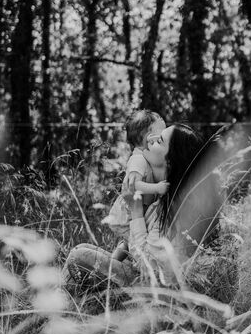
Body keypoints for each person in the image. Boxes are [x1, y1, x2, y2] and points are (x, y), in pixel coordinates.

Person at [63, 123, 221, 287]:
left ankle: (63, 301)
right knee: (83, 248)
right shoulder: (163, 196)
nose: (150, 138)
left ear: (169, 162)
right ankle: (71, 296)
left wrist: (136, 211)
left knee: (78, 255)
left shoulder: (175, 209)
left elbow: (147, 265)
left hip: (152, 286)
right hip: (143, 274)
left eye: (159, 140)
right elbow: (134, 244)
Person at [102, 109, 168, 261]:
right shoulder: (138, 159)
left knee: (127, 244)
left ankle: (113, 265)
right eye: (162, 133)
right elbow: (134, 185)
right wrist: (157, 188)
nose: (164, 137)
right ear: (148, 137)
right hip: (128, 213)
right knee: (129, 242)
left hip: (138, 208)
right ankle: (113, 268)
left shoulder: (147, 157)